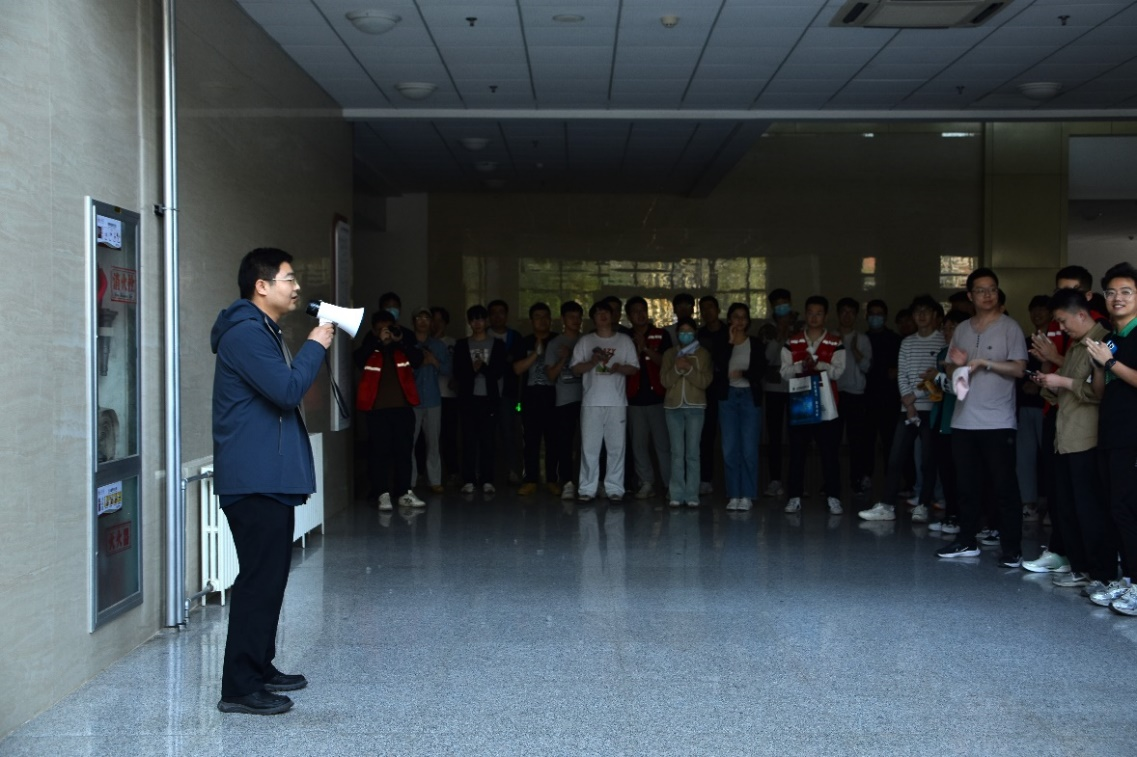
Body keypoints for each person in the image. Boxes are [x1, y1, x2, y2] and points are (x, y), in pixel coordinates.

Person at [211, 247, 333, 715]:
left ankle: (259, 667)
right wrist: (316, 345)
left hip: (266, 476)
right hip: (253, 477)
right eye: (289, 278)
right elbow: (286, 391)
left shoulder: (262, 329)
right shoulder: (246, 333)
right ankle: (240, 687)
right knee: (259, 580)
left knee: (270, 577)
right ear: (261, 286)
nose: (297, 287)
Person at [936, 268, 1027, 565]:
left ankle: (1012, 548)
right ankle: (966, 541)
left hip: (998, 420)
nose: (987, 295)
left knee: (1003, 486)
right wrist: (957, 366)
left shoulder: (1010, 327)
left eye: (992, 289)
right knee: (966, 485)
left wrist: (986, 363)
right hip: (963, 419)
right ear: (970, 295)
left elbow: (1019, 369)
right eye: (981, 290)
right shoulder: (962, 329)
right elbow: (949, 365)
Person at [1028, 288, 1113, 587]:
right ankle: (1080, 568)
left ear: (1081, 314)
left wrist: (1061, 380)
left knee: (1090, 510)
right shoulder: (1077, 345)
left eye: (1063, 321)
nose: (1061, 328)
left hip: (1087, 439)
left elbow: (1097, 392)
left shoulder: (1102, 342)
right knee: (1067, 508)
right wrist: (1048, 376)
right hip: (1065, 437)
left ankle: (1100, 574)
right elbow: (1065, 390)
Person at [858, 296, 945, 523]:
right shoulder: (907, 342)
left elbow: (938, 378)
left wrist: (913, 397)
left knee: (928, 461)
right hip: (907, 409)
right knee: (895, 458)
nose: (921, 316)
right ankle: (887, 505)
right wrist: (908, 404)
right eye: (917, 311)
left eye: (926, 311)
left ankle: (923, 505)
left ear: (935, 315)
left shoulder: (942, 342)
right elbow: (902, 374)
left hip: (931, 408)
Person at [1086, 263, 1137, 614]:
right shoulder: (1109, 339)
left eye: (1126, 292)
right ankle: (1128, 578)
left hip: (1133, 436)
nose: (1117, 298)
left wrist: (1110, 363)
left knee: (1129, 509)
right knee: (1115, 509)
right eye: (1111, 292)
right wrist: (1097, 365)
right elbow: (1100, 393)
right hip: (1110, 433)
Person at [781, 295, 846, 515]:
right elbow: (784, 372)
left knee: (829, 452)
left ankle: (833, 496)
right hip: (800, 402)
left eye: (819, 313)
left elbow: (838, 371)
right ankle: (794, 496)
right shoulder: (793, 341)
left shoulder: (835, 342)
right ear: (805, 314)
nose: (814, 317)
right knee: (797, 452)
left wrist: (818, 364)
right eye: (810, 313)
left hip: (827, 403)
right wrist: (802, 365)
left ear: (825, 316)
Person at [355, 309, 425, 510]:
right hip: (377, 410)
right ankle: (382, 493)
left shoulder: (401, 346)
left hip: (403, 409)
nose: (386, 332)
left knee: (404, 452)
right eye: (381, 329)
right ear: (374, 331)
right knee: (379, 452)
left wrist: (399, 341)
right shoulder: (370, 348)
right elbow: (358, 359)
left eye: (389, 328)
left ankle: (404, 492)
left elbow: (418, 360)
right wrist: (378, 342)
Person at [571, 302, 638, 502]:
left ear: (613, 315)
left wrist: (619, 368)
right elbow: (575, 369)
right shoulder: (585, 341)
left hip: (617, 402)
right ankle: (587, 489)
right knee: (589, 447)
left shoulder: (624, 340)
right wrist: (592, 362)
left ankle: (615, 488)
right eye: (598, 313)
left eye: (606, 312)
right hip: (591, 402)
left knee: (616, 447)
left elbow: (634, 368)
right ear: (593, 318)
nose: (602, 316)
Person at [717, 303, 768, 511]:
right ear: (729, 319)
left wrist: (743, 374)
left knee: (748, 449)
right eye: (735, 317)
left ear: (748, 321)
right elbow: (718, 366)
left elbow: (761, 370)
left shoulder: (755, 343)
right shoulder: (723, 343)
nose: (739, 321)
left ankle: (747, 494)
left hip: (749, 397)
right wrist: (730, 342)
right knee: (729, 448)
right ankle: (733, 494)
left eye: (743, 317)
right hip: (727, 398)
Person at [453, 304, 509, 494]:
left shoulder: (497, 345)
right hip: (468, 399)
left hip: (489, 399)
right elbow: (458, 372)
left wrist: (482, 367)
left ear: (486, 321)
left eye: (481, 319)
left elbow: (499, 371)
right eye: (473, 319)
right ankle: (468, 479)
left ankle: (487, 479)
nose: (477, 323)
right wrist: (473, 369)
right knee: (468, 440)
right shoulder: (462, 345)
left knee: (488, 440)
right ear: (469, 322)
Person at [661, 317, 713, 507]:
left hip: (695, 407)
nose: (685, 334)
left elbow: (704, 381)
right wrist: (677, 367)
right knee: (676, 453)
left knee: (692, 453)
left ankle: (692, 494)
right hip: (673, 407)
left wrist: (688, 368)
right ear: (677, 334)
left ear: (695, 333)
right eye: (682, 331)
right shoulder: (669, 354)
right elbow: (665, 381)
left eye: (689, 331)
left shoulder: (703, 354)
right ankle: (676, 493)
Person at [625, 296, 672, 498]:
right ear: (629, 316)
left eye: (643, 310)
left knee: (663, 444)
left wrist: (645, 347)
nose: (640, 314)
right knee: (638, 445)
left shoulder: (661, 334)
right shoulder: (624, 337)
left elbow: (667, 363)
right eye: (635, 311)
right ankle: (646, 482)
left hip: (658, 398)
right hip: (634, 399)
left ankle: (670, 484)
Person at [513, 302, 558, 496]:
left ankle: (552, 480)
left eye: (545, 316)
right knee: (530, 441)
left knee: (553, 441)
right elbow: (517, 369)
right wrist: (535, 354)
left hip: (555, 398)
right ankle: (530, 479)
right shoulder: (524, 342)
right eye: (538, 317)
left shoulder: (557, 341)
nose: (542, 320)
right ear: (531, 321)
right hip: (530, 399)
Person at [758, 288, 796, 497]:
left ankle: (797, 481)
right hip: (773, 388)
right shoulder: (767, 329)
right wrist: (779, 336)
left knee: (797, 435)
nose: (782, 307)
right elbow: (766, 359)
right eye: (778, 304)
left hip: (797, 386)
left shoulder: (800, 326)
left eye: (785, 303)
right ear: (772, 307)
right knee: (774, 436)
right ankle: (775, 480)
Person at [545, 301, 585, 499]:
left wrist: (573, 354)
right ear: (562, 319)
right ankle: (567, 481)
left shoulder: (586, 341)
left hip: (587, 399)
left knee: (588, 443)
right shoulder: (554, 344)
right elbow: (551, 376)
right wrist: (564, 359)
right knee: (565, 443)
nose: (575, 321)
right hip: (564, 400)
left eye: (578, 317)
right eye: (571, 317)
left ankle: (588, 482)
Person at [834, 297, 873, 496]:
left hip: (856, 395)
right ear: (838, 314)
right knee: (832, 441)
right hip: (834, 395)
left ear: (856, 315)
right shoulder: (830, 337)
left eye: (851, 312)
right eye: (843, 311)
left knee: (857, 441)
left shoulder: (863, 339)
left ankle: (856, 480)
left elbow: (867, 367)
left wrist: (855, 350)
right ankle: (831, 483)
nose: (847, 315)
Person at [410, 307, 450, 494]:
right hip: (412, 399)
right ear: (413, 321)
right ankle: (409, 480)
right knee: (409, 442)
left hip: (433, 399)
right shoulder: (408, 344)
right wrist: (419, 364)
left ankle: (434, 480)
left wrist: (434, 362)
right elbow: (402, 371)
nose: (423, 321)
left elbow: (448, 370)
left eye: (427, 318)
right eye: (419, 317)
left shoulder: (438, 346)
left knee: (433, 442)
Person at [864, 299, 901, 489]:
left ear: (885, 317)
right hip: (867, 397)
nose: (875, 317)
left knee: (890, 441)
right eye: (872, 314)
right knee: (866, 440)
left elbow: (902, 368)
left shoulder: (895, 340)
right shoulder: (862, 339)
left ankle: (891, 479)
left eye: (879, 314)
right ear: (866, 316)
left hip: (889, 398)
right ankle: (865, 476)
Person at [488, 299, 523, 484]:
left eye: (501, 312)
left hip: (509, 393)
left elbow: (518, 363)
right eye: (493, 312)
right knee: (486, 433)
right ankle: (486, 473)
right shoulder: (483, 335)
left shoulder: (515, 337)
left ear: (507, 315)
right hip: (486, 394)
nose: (497, 316)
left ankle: (512, 470)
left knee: (509, 433)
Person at [696, 296, 728, 495]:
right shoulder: (699, 335)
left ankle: (732, 481)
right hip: (706, 391)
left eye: (711, 307)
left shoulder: (729, 332)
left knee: (730, 437)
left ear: (718, 309)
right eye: (703, 309)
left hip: (728, 390)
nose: (707, 312)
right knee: (706, 436)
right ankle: (705, 479)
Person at [431, 306, 460, 485]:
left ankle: (452, 471)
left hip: (449, 395)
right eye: (433, 320)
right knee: (428, 437)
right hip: (429, 397)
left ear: (446, 323)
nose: (436, 324)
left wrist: (456, 380)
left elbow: (458, 367)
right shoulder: (425, 343)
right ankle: (427, 473)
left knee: (449, 435)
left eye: (440, 320)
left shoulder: (453, 343)